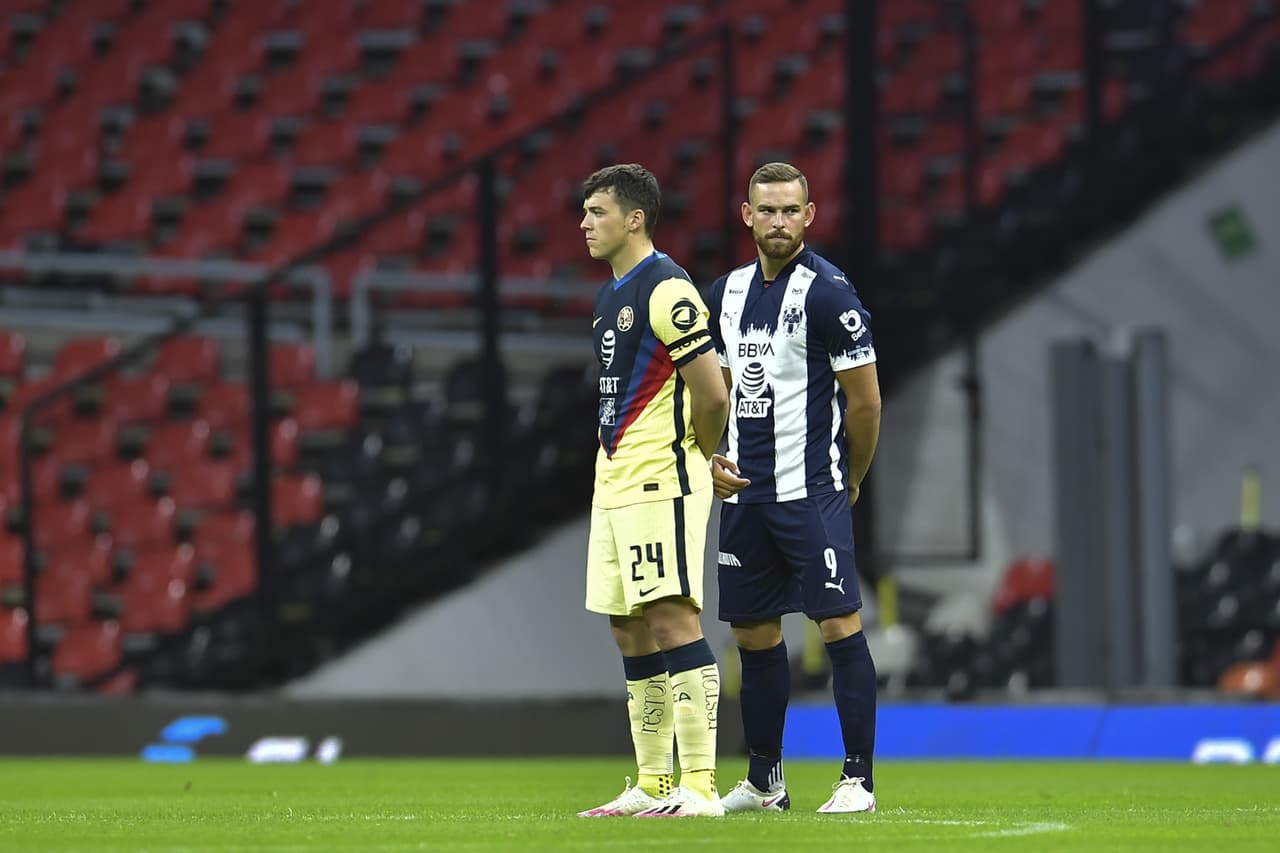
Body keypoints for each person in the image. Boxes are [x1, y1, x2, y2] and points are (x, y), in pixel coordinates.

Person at [706, 162, 882, 814]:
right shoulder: (722, 293)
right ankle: (765, 780)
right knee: (753, 634)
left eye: (790, 210)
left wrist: (852, 477)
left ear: (809, 216)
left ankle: (857, 779)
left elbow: (865, 406)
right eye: (766, 210)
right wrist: (708, 456)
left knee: (838, 623)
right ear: (746, 215)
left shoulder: (830, 293)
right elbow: (711, 394)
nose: (778, 221)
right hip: (745, 494)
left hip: (811, 488)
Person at [574, 164, 730, 819]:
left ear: (634, 218)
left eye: (597, 211)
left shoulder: (668, 289)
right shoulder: (609, 296)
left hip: (659, 476)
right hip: (613, 478)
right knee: (628, 627)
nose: (584, 223)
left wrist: (702, 451)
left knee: (671, 617)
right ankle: (653, 781)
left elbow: (713, 387)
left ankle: (700, 785)